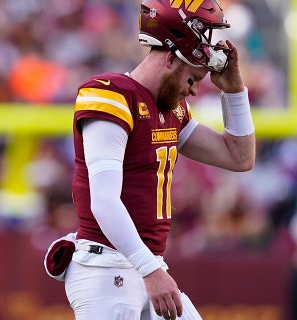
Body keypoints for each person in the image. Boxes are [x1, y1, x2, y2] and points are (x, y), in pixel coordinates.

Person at [43, 0, 256, 319]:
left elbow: (239, 158)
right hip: (105, 268)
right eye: (194, 78)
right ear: (171, 58)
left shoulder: (171, 110)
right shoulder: (111, 95)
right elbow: (104, 201)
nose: (195, 90)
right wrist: (151, 271)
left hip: (146, 265)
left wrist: (235, 92)